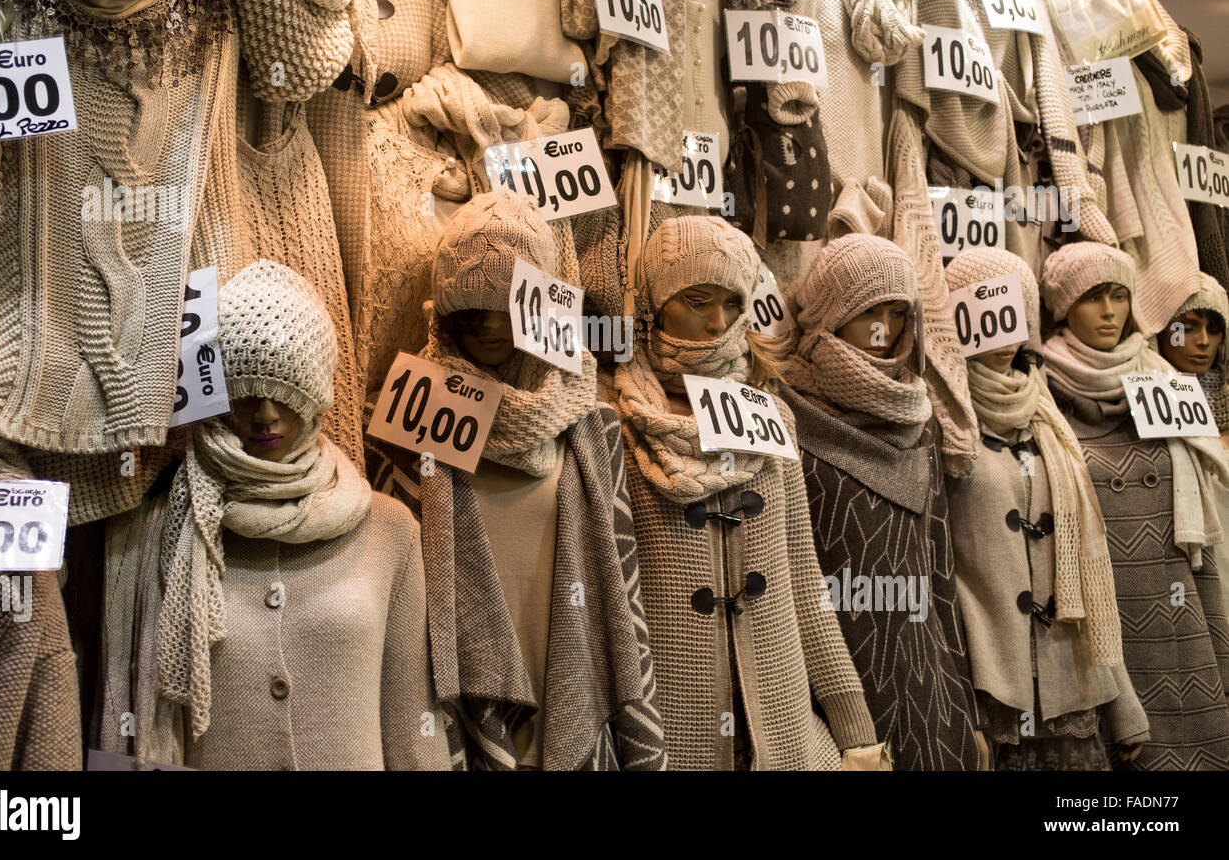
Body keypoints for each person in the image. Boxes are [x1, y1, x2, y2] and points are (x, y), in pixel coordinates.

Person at [102, 259, 448, 769]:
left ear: (314, 396)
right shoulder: (166, 527)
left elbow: (413, 723)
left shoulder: (391, 532)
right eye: (245, 395)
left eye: (285, 394)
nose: (265, 415)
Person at [366, 191, 668, 770]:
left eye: (504, 304)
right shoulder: (405, 426)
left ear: (539, 305)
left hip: (574, 699)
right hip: (454, 716)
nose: (486, 324)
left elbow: (625, 600)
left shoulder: (591, 422)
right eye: (467, 307)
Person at [612, 215, 882, 770]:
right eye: (696, 299)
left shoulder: (772, 413)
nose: (716, 323)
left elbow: (803, 583)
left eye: (732, 303)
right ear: (656, 304)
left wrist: (854, 728)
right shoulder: (617, 422)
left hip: (780, 728)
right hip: (670, 728)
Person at [780, 233, 983, 770]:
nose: (884, 330)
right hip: (831, 697)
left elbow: (940, 579)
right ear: (830, 308)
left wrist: (966, 708)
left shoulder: (919, 422)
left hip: (930, 697)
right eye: (868, 309)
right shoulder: (783, 417)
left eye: (897, 313)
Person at [944, 248, 1148, 769]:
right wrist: (955, 711)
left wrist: (1121, 700)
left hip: (1071, 696)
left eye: (1014, 309)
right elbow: (937, 582)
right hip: (991, 701)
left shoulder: (1046, 416)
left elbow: (1085, 565)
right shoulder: (942, 424)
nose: (1000, 329)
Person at [1042, 242, 1229, 769]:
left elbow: (1199, 523)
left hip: (1179, 608)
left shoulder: (1163, 380)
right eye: (1093, 297)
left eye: (1120, 296)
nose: (1109, 311)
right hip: (1101, 620)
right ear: (1063, 307)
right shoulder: (1039, 389)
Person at [1158, 272, 1229, 449]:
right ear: (1161, 330)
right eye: (1187, 329)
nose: (1204, 341)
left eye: (1213, 330)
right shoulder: (1142, 398)